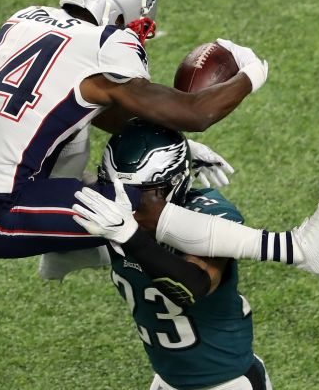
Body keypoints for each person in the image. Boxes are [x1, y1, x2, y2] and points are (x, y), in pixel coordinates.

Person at [0, 0, 319, 274]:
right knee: (143, 205)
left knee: (75, 137)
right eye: (138, 21)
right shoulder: (105, 46)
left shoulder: (25, 21)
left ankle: (66, 249)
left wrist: (184, 148)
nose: (139, 31)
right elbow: (196, 112)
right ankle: (298, 249)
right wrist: (251, 74)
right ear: (118, 8)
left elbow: (67, 106)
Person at [75, 119, 276, 389]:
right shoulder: (111, 206)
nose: (124, 202)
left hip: (227, 383)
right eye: (114, 188)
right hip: (167, 381)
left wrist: (131, 237)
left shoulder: (207, 214)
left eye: (139, 193)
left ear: (174, 185)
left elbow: (194, 286)